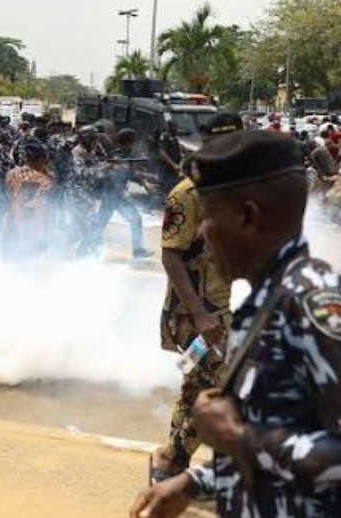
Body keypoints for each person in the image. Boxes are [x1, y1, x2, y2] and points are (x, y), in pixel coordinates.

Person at [130, 131, 341, 518]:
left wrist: (236, 438)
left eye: (209, 217)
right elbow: (283, 434)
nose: (202, 233)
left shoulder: (313, 305)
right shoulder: (265, 303)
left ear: (248, 216)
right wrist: (198, 482)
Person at [149, 118, 239, 485]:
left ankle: (170, 461)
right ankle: (179, 462)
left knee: (198, 387)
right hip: (195, 315)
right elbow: (171, 255)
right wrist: (200, 315)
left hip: (219, 309)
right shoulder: (187, 193)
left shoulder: (227, 188)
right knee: (222, 384)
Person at [82, 128, 153, 259]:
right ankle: (85, 248)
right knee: (131, 219)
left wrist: (142, 179)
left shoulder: (125, 155)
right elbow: (115, 172)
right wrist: (135, 176)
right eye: (132, 142)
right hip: (112, 194)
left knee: (101, 222)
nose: (134, 145)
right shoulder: (117, 155)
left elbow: (128, 172)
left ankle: (85, 247)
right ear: (128, 142)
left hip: (114, 195)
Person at [4, 137, 55, 257]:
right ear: (41, 159)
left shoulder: (11, 174)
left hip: (10, 219)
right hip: (30, 225)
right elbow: (36, 204)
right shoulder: (44, 180)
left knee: (11, 260)